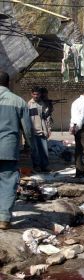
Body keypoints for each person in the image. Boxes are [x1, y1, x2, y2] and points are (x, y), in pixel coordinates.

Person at [0, 71, 32, 230]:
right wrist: (29, 146)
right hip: (8, 148)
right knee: (7, 182)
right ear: (8, 83)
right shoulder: (18, 102)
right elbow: (27, 128)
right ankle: (4, 218)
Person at [28, 86, 52, 172]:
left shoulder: (43, 104)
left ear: (40, 94)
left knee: (44, 151)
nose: (36, 96)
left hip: (43, 131)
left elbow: (47, 118)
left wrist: (49, 129)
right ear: (31, 94)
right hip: (33, 132)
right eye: (34, 94)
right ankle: (36, 166)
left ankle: (45, 166)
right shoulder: (29, 105)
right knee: (35, 151)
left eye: (37, 94)